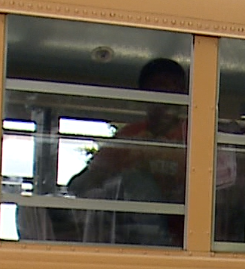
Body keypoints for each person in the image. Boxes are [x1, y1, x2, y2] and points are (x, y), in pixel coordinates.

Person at [67, 58, 188, 245]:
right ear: (145, 96)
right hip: (130, 240)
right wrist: (122, 165)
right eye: (160, 91)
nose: (168, 101)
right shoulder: (129, 137)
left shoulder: (195, 139)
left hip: (184, 240)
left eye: (176, 92)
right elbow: (78, 186)